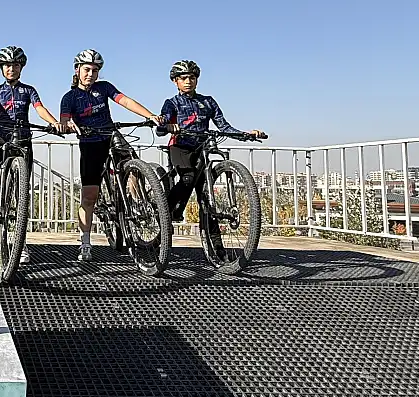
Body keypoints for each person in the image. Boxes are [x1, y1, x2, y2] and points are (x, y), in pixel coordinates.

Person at [58, 49, 162, 263]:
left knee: (133, 167)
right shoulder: (70, 97)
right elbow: (65, 117)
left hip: (111, 134)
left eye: (95, 70)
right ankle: (85, 242)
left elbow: (125, 101)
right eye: (87, 69)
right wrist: (67, 123)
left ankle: (137, 204)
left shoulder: (104, 88)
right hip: (90, 142)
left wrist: (149, 115)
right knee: (89, 197)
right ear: (77, 70)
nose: (91, 74)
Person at [157, 59, 265, 222]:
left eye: (192, 77)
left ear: (197, 79)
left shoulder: (208, 101)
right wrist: (168, 126)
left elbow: (224, 126)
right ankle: (164, 211)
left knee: (206, 197)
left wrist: (246, 134)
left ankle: (216, 247)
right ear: (175, 81)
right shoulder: (171, 103)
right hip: (180, 147)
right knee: (188, 178)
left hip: (202, 148)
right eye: (183, 78)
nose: (188, 81)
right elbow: (160, 127)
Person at [0, 45, 62, 227]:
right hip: (2, 137)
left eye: (16, 65)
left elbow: (39, 108)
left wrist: (54, 122)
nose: (11, 69)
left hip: (23, 139)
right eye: (7, 65)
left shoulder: (29, 91)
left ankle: (21, 244)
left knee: (21, 195)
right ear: (1, 68)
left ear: (21, 67)